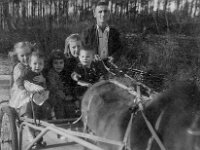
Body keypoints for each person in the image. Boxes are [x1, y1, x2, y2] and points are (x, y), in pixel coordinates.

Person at [9, 42, 47, 148]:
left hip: (35, 94)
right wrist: (25, 89)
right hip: (22, 93)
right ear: (17, 56)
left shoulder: (35, 64)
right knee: (27, 110)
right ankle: (31, 137)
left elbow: (41, 82)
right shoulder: (19, 67)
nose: (25, 57)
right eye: (22, 55)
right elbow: (19, 82)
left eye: (28, 54)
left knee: (40, 111)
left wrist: (43, 80)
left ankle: (39, 137)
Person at [82, 0, 122, 65]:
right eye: (100, 12)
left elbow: (119, 49)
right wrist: (92, 55)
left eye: (105, 11)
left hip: (109, 67)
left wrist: (113, 57)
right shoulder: (87, 33)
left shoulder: (115, 32)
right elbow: (82, 49)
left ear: (109, 14)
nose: (103, 14)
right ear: (95, 14)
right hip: (92, 66)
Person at [47, 49, 77, 119]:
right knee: (59, 110)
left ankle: (71, 121)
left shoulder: (65, 72)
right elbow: (54, 87)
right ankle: (61, 123)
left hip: (64, 96)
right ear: (51, 64)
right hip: (56, 97)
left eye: (61, 63)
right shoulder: (51, 74)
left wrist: (70, 94)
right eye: (56, 63)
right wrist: (64, 96)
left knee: (70, 107)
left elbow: (68, 85)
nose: (58, 65)